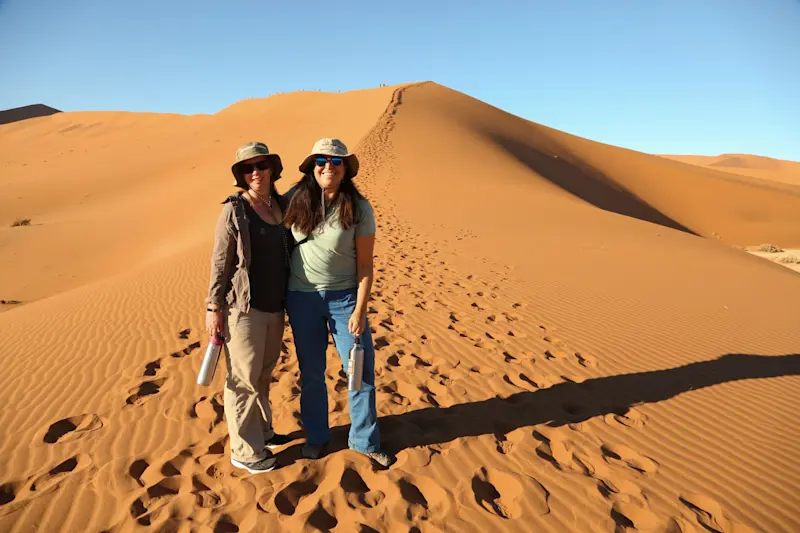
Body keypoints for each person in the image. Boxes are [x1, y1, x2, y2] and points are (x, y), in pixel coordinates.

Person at [283, 138, 394, 468]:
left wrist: (360, 309)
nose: (327, 167)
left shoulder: (358, 208)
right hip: (301, 299)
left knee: (359, 370)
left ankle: (364, 440)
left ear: (346, 169)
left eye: (335, 161)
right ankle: (317, 437)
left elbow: (365, 265)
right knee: (311, 373)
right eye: (321, 160)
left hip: (345, 299)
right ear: (312, 167)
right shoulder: (294, 199)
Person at [205, 141, 294, 474]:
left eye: (261, 165)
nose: (255, 172)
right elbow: (220, 262)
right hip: (244, 309)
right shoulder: (235, 210)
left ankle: (263, 431)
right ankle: (244, 451)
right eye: (248, 168)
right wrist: (214, 306)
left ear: (272, 168)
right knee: (243, 378)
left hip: (275, 305)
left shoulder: (282, 205)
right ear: (241, 175)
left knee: (264, 374)